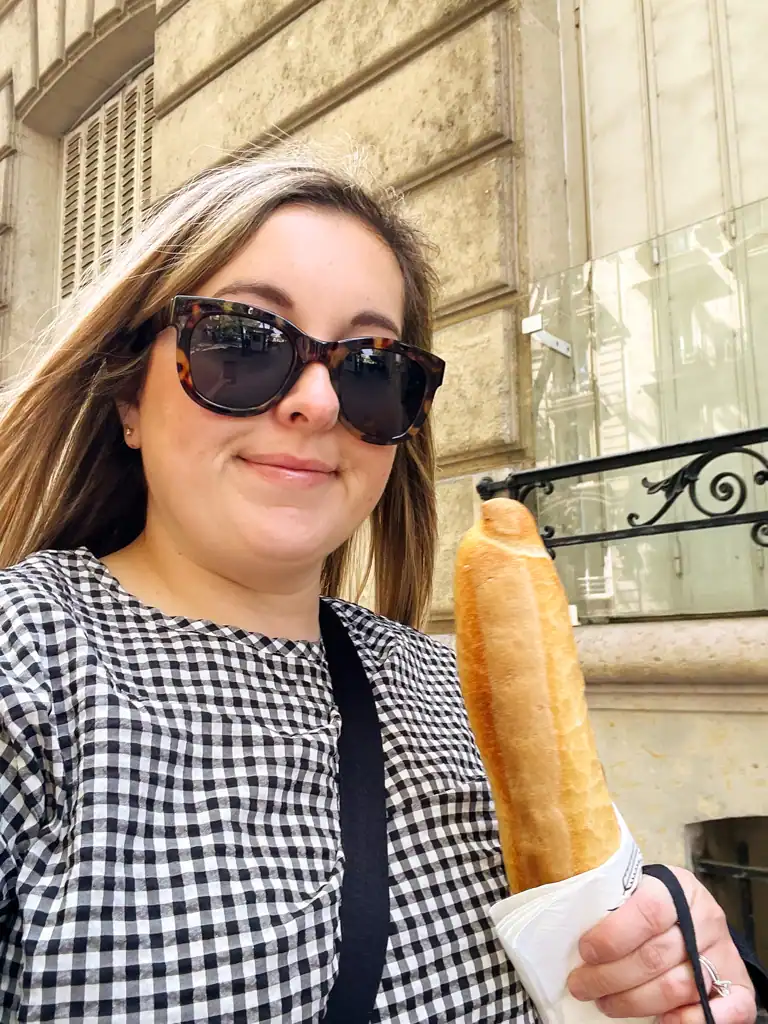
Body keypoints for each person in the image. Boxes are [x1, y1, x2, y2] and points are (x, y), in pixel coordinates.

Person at [0, 147, 760, 1023]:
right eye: (242, 342)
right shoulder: (31, 660)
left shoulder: (451, 688)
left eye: (371, 367)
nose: (318, 403)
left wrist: (673, 955)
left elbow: (600, 960)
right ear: (130, 397)